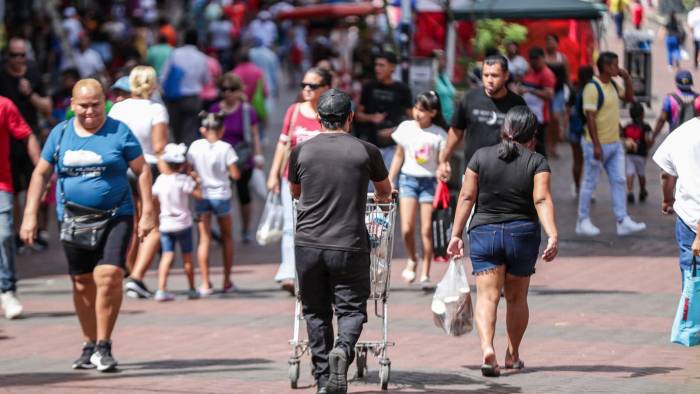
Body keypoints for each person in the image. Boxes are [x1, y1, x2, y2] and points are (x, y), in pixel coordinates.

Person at [19, 79, 155, 371]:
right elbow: (41, 174)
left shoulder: (120, 131)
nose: (90, 111)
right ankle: (89, 343)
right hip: (72, 218)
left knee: (109, 276)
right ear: (72, 105)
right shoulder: (61, 133)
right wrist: (30, 214)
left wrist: (148, 212)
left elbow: (142, 171)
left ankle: (104, 345)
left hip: (116, 214)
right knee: (81, 282)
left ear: (103, 103)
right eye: (84, 105)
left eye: (96, 105)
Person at [288, 89, 392, 394]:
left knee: (315, 311)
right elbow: (384, 192)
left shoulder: (301, 151)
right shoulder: (366, 151)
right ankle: (343, 350)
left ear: (319, 119)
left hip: (307, 244)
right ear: (349, 118)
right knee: (350, 310)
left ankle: (323, 380)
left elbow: (296, 192)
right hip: (348, 244)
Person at [447, 106, 558, 377]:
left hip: (485, 232)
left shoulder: (480, 157)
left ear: (504, 130)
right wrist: (552, 233)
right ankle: (513, 354)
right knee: (517, 298)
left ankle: (488, 350)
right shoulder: (537, 162)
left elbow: (466, 197)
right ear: (532, 136)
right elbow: (541, 199)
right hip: (522, 234)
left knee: (487, 297)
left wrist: (456, 234)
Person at [267, 67, 331, 293]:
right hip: (292, 179)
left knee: (317, 228)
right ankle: (288, 273)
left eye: (312, 86)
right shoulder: (294, 111)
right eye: (304, 85)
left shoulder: (329, 114)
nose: (306, 89)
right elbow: (283, 143)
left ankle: (313, 273)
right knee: (289, 225)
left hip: (321, 183)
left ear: (326, 88)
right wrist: (274, 173)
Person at [109, 66, 169, 298]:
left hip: (122, 168)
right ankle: (137, 277)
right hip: (148, 168)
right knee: (153, 224)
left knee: (133, 222)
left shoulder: (117, 108)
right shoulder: (156, 109)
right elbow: (159, 146)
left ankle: (129, 269)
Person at [575, 52, 646, 237]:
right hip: (596, 144)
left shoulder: (613, 84)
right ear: (606, 67)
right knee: (590, 182)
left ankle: (622, 220)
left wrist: (627, 78)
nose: (618, 68)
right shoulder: (592, 87)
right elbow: (590, 118)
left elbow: (629, 98)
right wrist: (597, 145)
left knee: (619, 181)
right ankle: (582, 221)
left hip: (614, 144)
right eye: (615, 65)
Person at [387, 91, 448, 289]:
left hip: (430, 183)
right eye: (416, 108)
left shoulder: (439, 134)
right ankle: (412, 258)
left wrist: (444, 169)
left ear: (433, 112)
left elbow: (442, 162)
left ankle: (425, 274)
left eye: (423, 110)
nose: (418, 113)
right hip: (408, 180)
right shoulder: (405, 128)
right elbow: (398, 155)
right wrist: (390, 179)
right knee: (406, 228)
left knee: (427, 230)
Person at [438, 55, 527, 184]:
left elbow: (525, 139)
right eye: (486, 75)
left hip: (506, 175)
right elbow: (456, 132)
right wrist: (444, 160)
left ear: (506, 75)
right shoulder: (470, 99)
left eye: (495, 75)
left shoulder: (517, 104)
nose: (489, 80)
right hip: (473, 173)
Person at [0, 37, 52, 252]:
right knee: (13, 191)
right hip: (8, 141)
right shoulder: (1, 76)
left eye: (22, 55)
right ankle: (20, 235)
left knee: (40, 184)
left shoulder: (33, 74)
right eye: (14, 55)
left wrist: (30, 93)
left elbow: (47, 108)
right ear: (7, 56)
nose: (19, 59)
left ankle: (40, 231)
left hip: (30, 136)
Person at [187, 112, 241, 296]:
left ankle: (205, 283)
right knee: (227, 237)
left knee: (204, 239)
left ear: (203, 129)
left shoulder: (195, 146)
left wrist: (196, 177)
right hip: (222, 195)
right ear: (222, 129)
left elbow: (188, 169)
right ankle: (226, 281)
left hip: (202, 195)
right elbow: (235, 175)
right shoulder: (226, 148)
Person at [209, 73, 264, 243]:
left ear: (238, 91)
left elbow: (254, 135)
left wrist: (258, 155)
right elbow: (209, 134)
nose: (228, 93)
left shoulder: (247, 110)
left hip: (242, 160)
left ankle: (246, 230)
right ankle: (222, 230)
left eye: (232, 89)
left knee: (244, 195)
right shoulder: (215, 110)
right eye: (224, 89)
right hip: (220, 160)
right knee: (221, 196)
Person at [0, 96, 40, 320]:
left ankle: (7, 290)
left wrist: (40, 168)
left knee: (4, 235)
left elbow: (26, 134)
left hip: (1, 184)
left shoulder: (4, 105)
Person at [652, 115, 700, 287]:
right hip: (691, 218)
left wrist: (667, 199)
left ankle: (692, 312)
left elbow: (666, 174)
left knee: (691, 280)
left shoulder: (682, 133)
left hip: (689, 218)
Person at [152, 143, 203, 301]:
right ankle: (192, 288)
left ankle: (161, 288)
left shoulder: (161, 180)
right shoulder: (183, 180)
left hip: (166, 223)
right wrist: (196, 180)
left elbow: (153, 197)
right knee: (187, 257)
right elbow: (199, 195)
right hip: (183, 223)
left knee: (167, 256)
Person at [354, 51, 413, 168]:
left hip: (393, 147)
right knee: (368, 185)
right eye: (376, 65)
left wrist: (395, 131)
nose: (377, 69)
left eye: (382, 65)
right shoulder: (368, 87)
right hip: (369, 144)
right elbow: (357, 115)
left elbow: (412, 118)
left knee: (389, 183)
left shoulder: (402, 89)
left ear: (392, 67)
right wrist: (371, 118)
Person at [160, 29, 210, 146]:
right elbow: (206, 80)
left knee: (176, 130)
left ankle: (178, 155)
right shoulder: (202, 57)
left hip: (174, 98)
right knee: (190, 130)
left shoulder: (175, 54)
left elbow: (163, 75)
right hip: (193, 98)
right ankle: (187, 156)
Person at [518, 47, 555, 157]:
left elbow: (549, 94)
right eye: (532, 60)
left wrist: (530, 90)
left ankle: (542, 170)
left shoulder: (547, 74)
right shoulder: (529, 72)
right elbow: (521, 84)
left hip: (540, 117)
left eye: (536, 60)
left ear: (543, 59)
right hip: (526, 114)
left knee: (538, 146)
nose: (534, 63)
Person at [566, 66, 594, 198]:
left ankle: (577, 188)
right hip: (588, 130)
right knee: (589, 162)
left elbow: (568, 109)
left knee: (577, 161)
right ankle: (589, 190)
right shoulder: (591, 91)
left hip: (574, 129)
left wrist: (564, 125)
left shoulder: (574, 90)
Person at [652, 70, 700, 140]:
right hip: (694, 138)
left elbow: (662, 119)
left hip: (675, 138)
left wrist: (654, 135)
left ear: (676, 83)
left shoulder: (670, 99)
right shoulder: (698, 98)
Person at [544, 35, 571, 157]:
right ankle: (548, 146)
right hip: (545, 93)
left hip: (559, 92)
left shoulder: (562, 58)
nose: (549, 44)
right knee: (547, 121)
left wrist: (570, 92)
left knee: (555, 118)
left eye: (552, 41)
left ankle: (553, 145)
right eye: (547, 41)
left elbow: (567, 76)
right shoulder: (543, 58)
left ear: (557, 43)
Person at [622, 103, 652, 204]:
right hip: (641, 154)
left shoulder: (627, 126)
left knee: (630, 173)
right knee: (641, 173)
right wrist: (648, 147)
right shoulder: (646, 126)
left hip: (630, 154)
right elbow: (648, 139)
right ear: (643, 114)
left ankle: (630, 191)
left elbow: (624, 138)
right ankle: (642, 190)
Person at [433, 49, 456, 123]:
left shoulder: (444, 76)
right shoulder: (432, 79)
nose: (444, 62)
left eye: (444, 59)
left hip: (450, 120)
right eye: (440, 59)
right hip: (438, 121)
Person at [687, 1, 700, 69]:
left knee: (696, 49)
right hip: (696, 34)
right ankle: (697, 62)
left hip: (695, 35)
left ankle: (696, 62)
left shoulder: (691, 13)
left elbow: (690, 25)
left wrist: (690, 34)